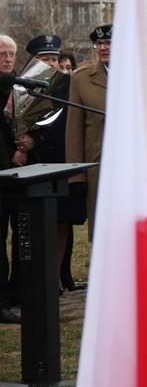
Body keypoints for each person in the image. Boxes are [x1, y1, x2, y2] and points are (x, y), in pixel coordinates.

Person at [19, 34, 86, 294]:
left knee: (61, 220)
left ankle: (56, 276)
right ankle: (31, 280)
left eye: (55, 59)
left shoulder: (66, 86)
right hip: (31, 164)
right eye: (45, 59)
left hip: (61, 159)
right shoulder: (21, 86)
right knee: (32, 224)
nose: (52, 64)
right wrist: (27, 139)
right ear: (34, 61)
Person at [66, 24, 111, 241]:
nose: (103, 48)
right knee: (103, 233)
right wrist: (76, 177)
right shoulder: (81, 79)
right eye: (99, 43)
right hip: (97, 168)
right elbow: (74, 131)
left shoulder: (140, 74)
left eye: (109, 43)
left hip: (135, 168)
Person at [0, 35, 21, 323]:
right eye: (2, 53)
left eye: (11, 53)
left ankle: (12, 295)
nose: (7, 58)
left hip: (14, 175)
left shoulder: (19, 87)